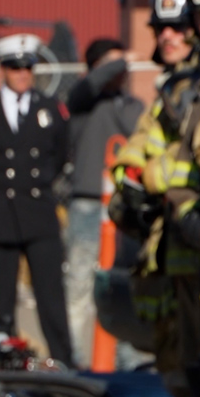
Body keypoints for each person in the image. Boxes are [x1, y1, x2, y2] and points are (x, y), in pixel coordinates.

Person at [0, 49, 74, 364]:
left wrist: (39, 183)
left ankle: (63, 360)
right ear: (3, 70)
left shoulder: (50, 109)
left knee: (50, 295)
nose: (22, 74)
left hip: (38, 210)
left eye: (27, 68)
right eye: (15, 68)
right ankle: (7, 363)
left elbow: (61, 153)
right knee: (5, 302)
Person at [64, 37, 144, 367]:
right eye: (111, 64)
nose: (119, 70)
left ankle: (131, 359)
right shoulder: (82, 101)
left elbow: (135, 129)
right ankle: (72, 356)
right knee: (80, 283)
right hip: (87, 204)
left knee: (126, 284)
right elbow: (93, 83)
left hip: (124, 207)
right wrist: (121, 58)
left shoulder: (133, 106)